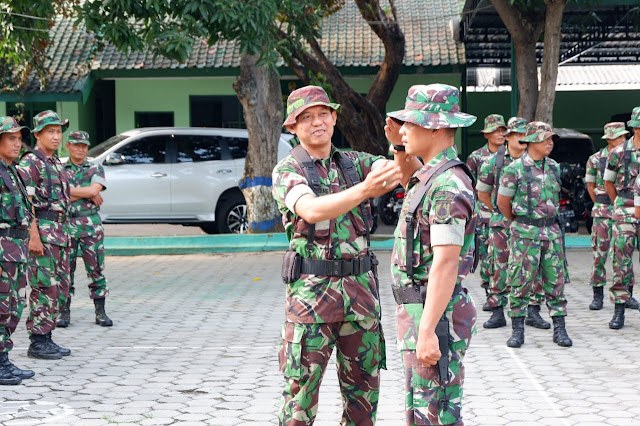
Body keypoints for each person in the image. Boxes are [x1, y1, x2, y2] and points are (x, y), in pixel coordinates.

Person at [272, 85, 400, 425]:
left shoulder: (356, 163)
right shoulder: (288, 170)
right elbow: (311, 210)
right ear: (293, 127)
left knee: (363, 403)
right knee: (300, 403)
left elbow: (403, 170)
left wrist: (401, 145)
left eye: (323, 114)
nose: (317, 122)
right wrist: (365, 190)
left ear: (334, 118)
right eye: (307, 117)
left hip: (360, 298)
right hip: (311, 300)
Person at [386, 84, 478, 425]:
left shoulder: (447, 187)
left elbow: (445, 263)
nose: (404, 129)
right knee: (422, 411)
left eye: (411, 123)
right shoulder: (434, 175)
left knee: (435, 414)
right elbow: (407, 176)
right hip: (423, 311)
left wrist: (426, 332)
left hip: (434, 315)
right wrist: (399, 145)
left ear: (437, 127)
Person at [497, 121, 572, 348]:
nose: (550, 143)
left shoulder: (554, 167)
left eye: (551, 139)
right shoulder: (514, 170)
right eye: (546, 139)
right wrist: (523, 223)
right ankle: (517, 331)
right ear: (532, 143)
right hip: (525, 234)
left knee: (555, 282)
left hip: (552, 233)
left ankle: (560, 329)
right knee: (520, 281)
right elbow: (503, 203)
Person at [477, 117, 549, 329]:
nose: (522, 139)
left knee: (532, 268)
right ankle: (497, 311)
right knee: (498, 267)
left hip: (530, 227)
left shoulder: (535, 162)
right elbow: (482, 193)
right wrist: (504, 214)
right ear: (508, 137)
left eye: (524, 135)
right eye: (517, 134)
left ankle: (533, 312)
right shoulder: (493, 162)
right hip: (501, 225)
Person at [17, 110, 71, 360]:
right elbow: (26, 203)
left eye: (59, 131)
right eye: (50, 131)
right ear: (37, 134)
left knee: (60, 287)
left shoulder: (55, 162)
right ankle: (37, 341)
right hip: (43, 234)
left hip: (60, 234)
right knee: (43, 286)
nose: (56, 136)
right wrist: (33, 236)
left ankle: (47, 336)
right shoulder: (31, 162)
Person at [60, 131, 112, 328]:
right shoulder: (60, 168)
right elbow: (57, 195)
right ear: (68, 146)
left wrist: (71, 192)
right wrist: (86, 194)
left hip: (90, 225)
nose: (80, 149)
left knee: (96, 268)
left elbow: (93, 190)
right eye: (76, 145)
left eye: (83, 145)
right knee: (65, 270)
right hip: (66, 225)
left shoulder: (95, 167)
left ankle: (100, 312)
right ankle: (64, 313)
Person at [0, 117, 36, 384]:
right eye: (10, 138)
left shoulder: (13, 171)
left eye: (18, 138)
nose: (17, 143)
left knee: (14, 306)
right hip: (2, 249)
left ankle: (4, 358)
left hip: (17, 250)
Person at [585, 122, 629, 311]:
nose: (623, 140)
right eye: (620, 137)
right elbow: (590, 187)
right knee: (600, 253)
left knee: (623, 255)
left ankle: (626, 293)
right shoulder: (595, 159)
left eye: (624, 136)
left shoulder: (629, 156)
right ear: (610, 138)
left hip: (625, 211)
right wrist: (603, 205)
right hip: (603, 210)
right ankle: (598, 294)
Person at [604, 106, 640, 329]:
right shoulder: (618, 153)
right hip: (625, 209)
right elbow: (609, 182)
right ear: (635, 127)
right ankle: (619, 309)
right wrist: (620, 204)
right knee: (621, 261)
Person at [466, 114, 506, 312]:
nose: (500, 134)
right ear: (486, 134)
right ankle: (490, 295)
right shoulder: (476, 157)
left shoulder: (509, 156)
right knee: (488, 258)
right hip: (485, 217)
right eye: (496, 130)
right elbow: (470, 185)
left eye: (502, 130)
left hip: (507, 217)